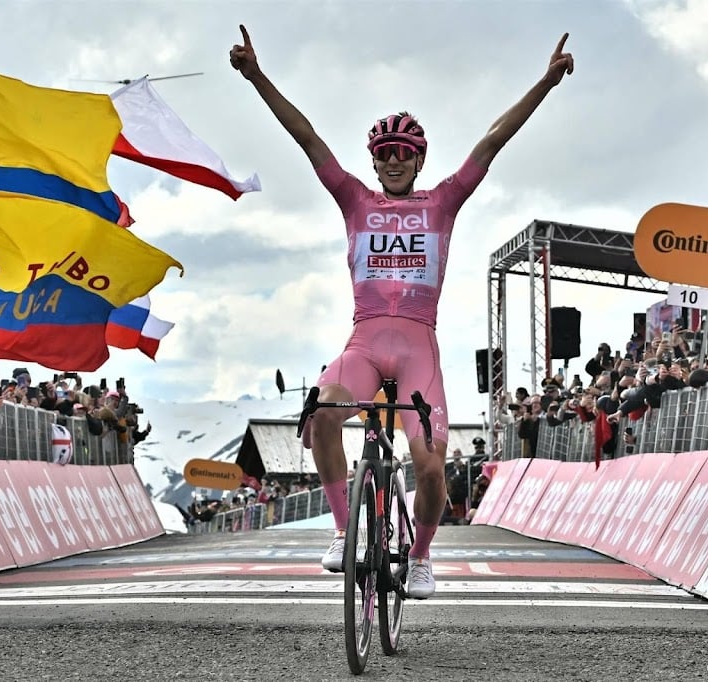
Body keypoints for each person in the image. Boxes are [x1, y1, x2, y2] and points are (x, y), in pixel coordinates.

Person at [230, 24, 574, 599]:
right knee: (319, 418)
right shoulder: (354, 199)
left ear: (418, 160)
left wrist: (545, 81)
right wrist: (256, 76)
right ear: (374, 160)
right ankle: (344, 533)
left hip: (419, 349)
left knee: (432, 467)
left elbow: (492, 141)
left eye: (403, 155)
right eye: (384, 155)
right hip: (364, 343)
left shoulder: (442, 202)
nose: (392, 162)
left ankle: (419, 557)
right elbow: (308, 138)